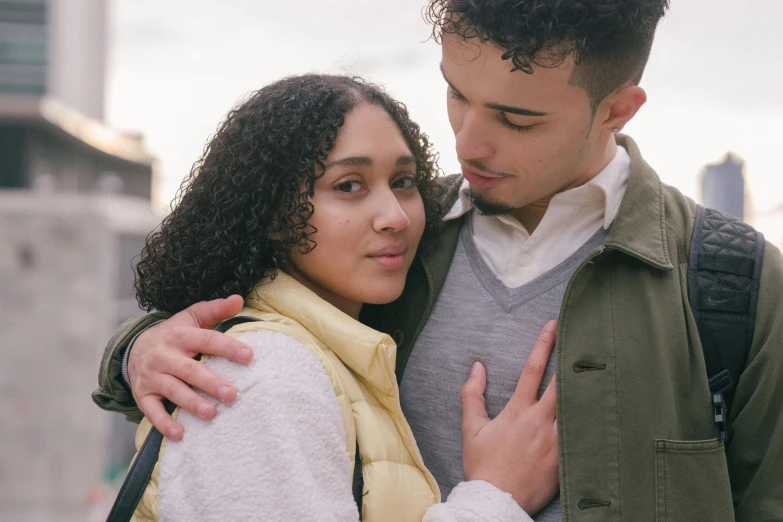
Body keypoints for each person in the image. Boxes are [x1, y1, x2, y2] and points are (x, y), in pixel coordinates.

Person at [95, 1, 783, 520]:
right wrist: (140, 349)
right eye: (456, 94)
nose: (468, 144)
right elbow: (257, 327)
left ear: (618, 110)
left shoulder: (735, 285)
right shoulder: (393, 241)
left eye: (516, 120)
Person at [116, 73, 559, 521]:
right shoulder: (263, 372)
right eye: (349, 185)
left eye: (404, 181)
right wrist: (496, 496)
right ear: (274, 215)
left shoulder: (336, 354)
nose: (395, 217)